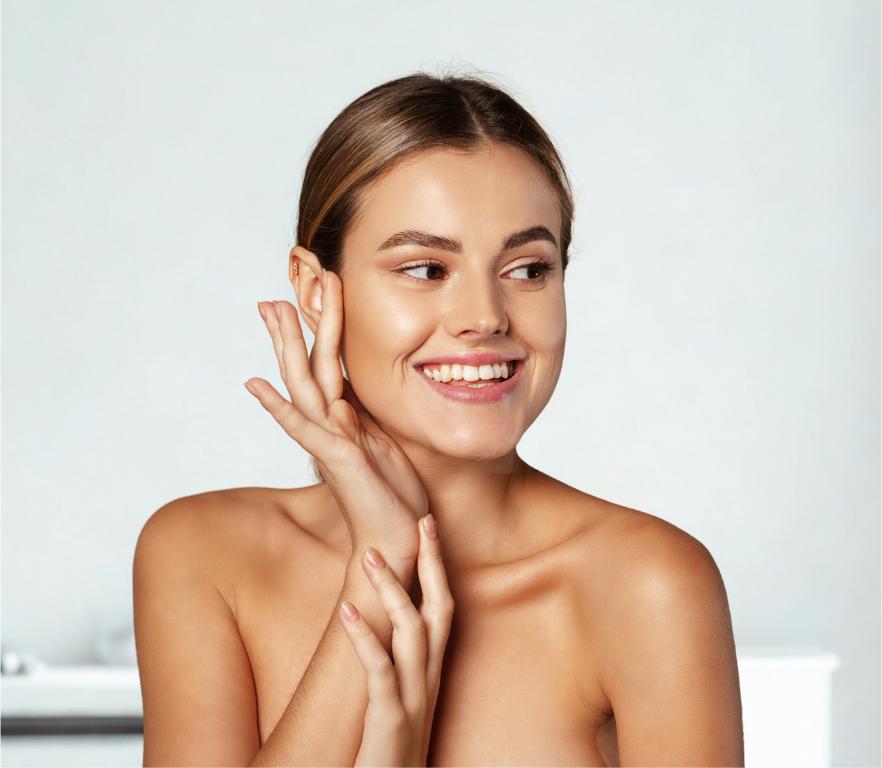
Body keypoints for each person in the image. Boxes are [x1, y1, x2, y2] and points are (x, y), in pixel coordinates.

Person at [133, 71, 744, 767]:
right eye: (425, 269)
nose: (486, 316)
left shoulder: (648, 583)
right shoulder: (204, 556)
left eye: (528, 268)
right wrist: (380, 562)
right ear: (313, 288)